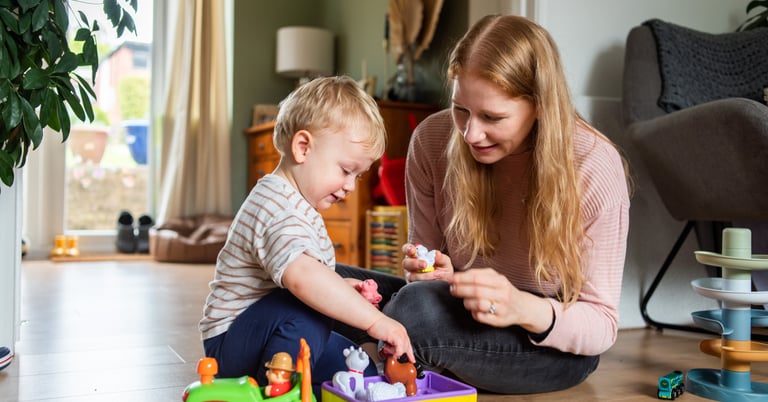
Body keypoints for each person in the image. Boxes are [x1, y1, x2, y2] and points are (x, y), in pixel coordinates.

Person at [336, 14, 630, 394]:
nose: (471, 133)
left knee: (415, 312)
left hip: (547, 345)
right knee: (325, 276)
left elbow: (602, 324)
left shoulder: (593, 166)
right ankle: (357, 360)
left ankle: (355, 366)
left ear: (539, 105)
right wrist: (437, 274)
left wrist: (519, 307)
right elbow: (425, 282)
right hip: (456, 317)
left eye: (493, 117)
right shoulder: (431, 141)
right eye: (461, 110)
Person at [199, 76, 414, 394]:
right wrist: (375, 321)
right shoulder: (275, 205)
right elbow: (301, 277)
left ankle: (296, 383)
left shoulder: (300, 203)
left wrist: (341, 287)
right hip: (233, 343)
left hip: (266, 331)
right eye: (345, 170)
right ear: (303, 148)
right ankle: (278, 393)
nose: (350, 186)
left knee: (359, 369)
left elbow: (300, 276)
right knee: (309, 311)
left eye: (358, 175)